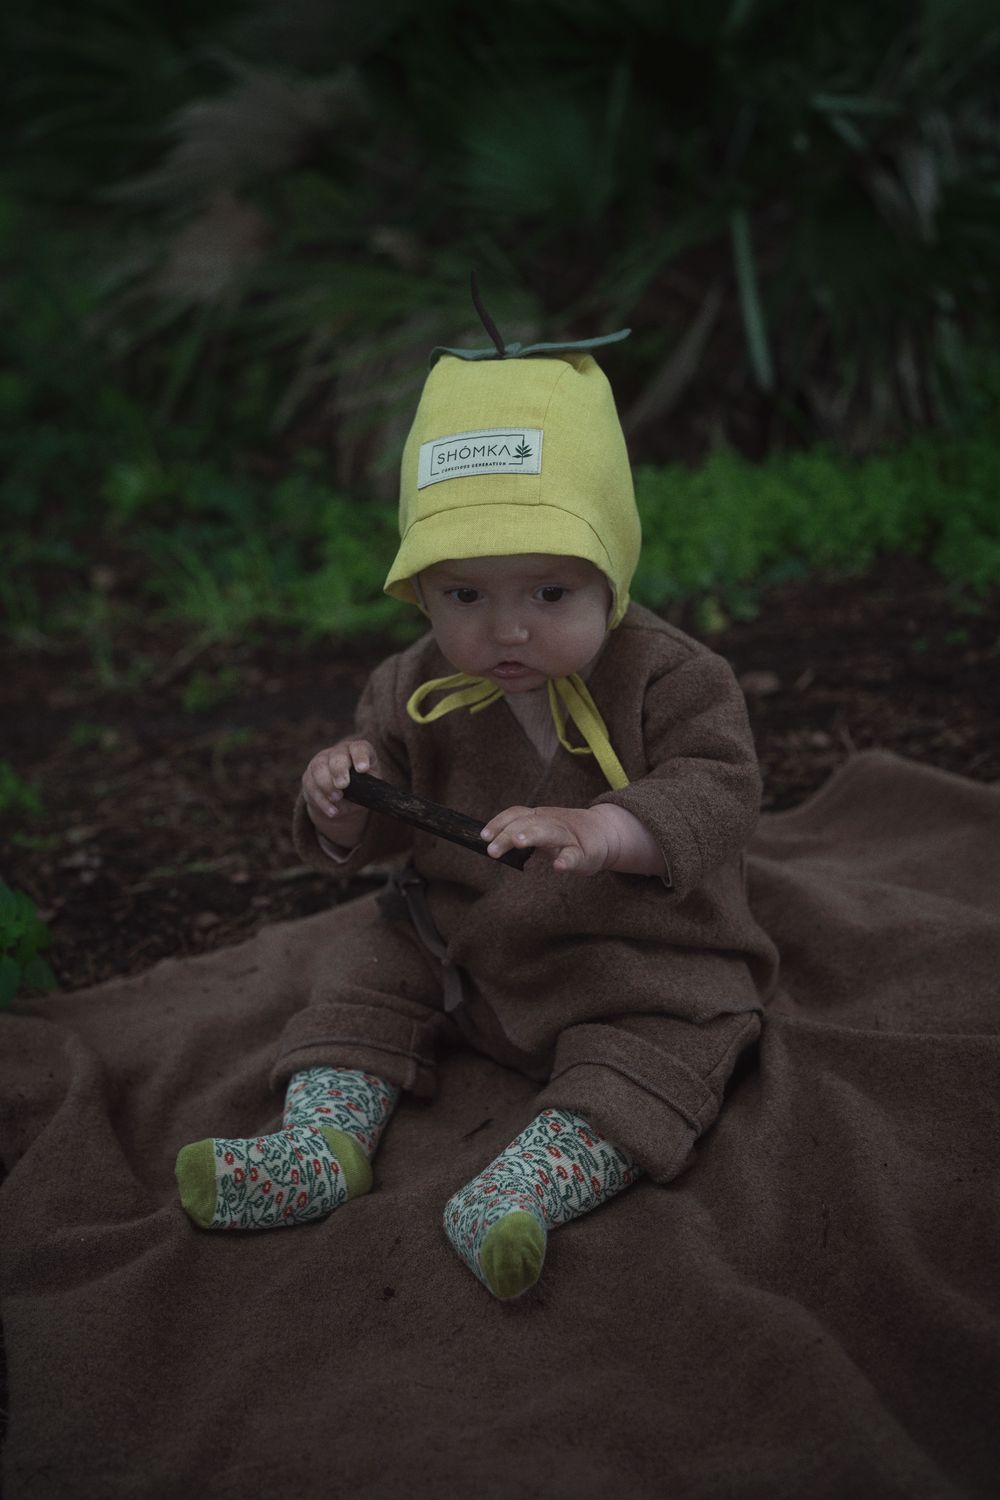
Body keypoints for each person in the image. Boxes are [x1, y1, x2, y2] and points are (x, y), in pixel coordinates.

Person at [176, 327, 777, 1300]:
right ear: (419, 589)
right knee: (364, 973)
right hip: (458, 941)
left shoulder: (671, 676)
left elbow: (719, 786)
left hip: (633, 950)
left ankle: (527, 1185)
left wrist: (603, 830)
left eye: (549, 590)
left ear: (609, 573)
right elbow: (379, 834)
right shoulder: (411, 685)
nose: (506, 628)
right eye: (464, 593)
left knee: (673, 1042)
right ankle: (320, 1141)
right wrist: (342, 794)